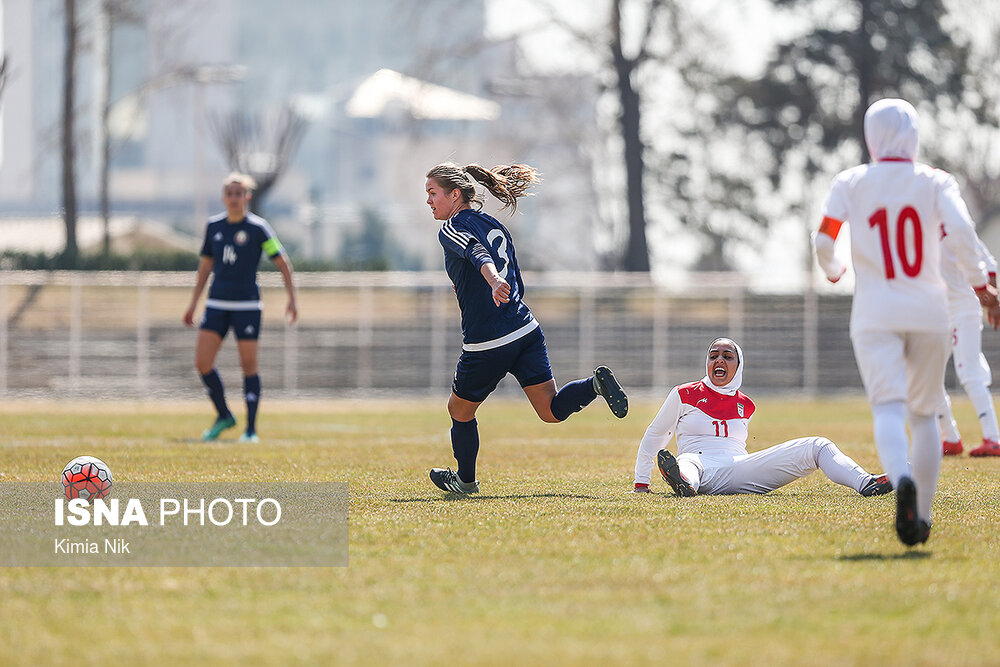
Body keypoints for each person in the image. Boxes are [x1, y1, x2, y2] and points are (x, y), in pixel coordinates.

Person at [812, 98, 1000, 546]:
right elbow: (962, 234)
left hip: (875, 312)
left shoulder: (850, 181)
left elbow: (824, 237)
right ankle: (924, 513)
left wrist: (834, 270)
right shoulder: (936, 182)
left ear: (869, 135)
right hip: (930, 312)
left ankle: (901, 480)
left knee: (888, 409)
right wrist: (981, 288)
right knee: (922, 414)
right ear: (914, 134)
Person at [424, 162, 628, 494]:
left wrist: (491, 281)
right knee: (550, 410)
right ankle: (594, 386)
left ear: (455, 194)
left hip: (488, 342)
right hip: (525, 330)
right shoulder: (493, 224)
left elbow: (478, 256)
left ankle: (465, 481)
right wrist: (485, 287)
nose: (430, 201)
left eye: (433, 193)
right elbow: (511, 275)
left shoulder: (451, 227)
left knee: (458, 410)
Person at [632, 338, 893, 499]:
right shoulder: (683, 393)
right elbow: (656, 435)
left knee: (817, 445)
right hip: (698, 462)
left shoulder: (747, 405)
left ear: (738, 365)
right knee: (687, 463)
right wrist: (642, 482)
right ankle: (683, 482)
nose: (718, 360)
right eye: (713, 356)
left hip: (741, 468)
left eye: (727, 356)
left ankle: (866, 483)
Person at [183, 172, 298, 443]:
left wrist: (292, 299)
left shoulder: (259, 228)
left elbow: (283, 263)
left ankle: (250, 430)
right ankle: (224, 415)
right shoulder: (213, 227)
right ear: (224, 197)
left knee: (248, 366)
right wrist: (192, 304)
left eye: (239, 193)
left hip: (247, 305)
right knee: (202, 363)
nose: (234, 198)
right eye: (230, 193)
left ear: (247, 197)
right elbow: (205, 267)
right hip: (216, 304)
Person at [937, 239, 1000, 457]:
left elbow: (989, 263)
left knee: (969, 371)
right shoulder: (927, 221)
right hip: (938, 312)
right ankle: (951, 438)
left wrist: (993, 300)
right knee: (928, 374)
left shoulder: (952, 221)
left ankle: (993, 438)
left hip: (964, 309)